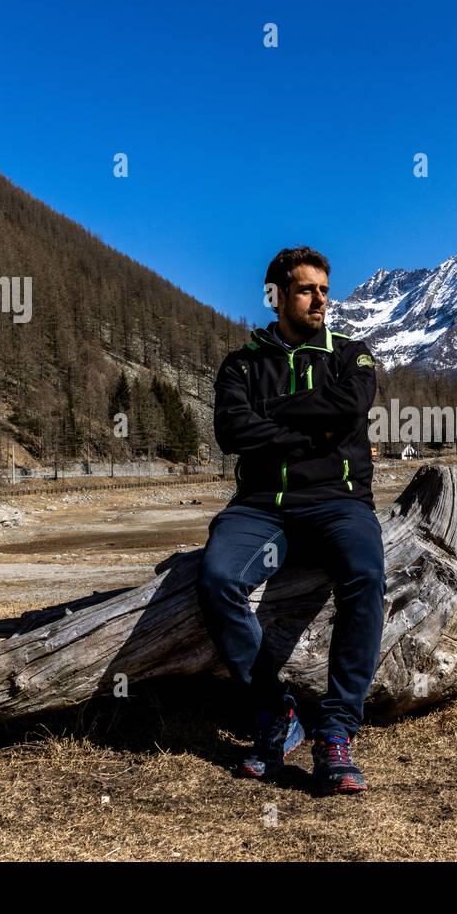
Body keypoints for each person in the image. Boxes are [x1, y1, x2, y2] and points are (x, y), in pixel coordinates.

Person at [197, 245, 385, 795]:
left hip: (339, 502)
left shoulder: (354, 356)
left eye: (325, 289)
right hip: (261, 506)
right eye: (307, 290)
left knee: (365, 576)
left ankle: (336, 731)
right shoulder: (242, 364)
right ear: (277, 296)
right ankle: (275, 713)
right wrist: (313, 431)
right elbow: (233, 433)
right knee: (217, 578)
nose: (320, 299)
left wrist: (271, 416)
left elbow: (348, 411)